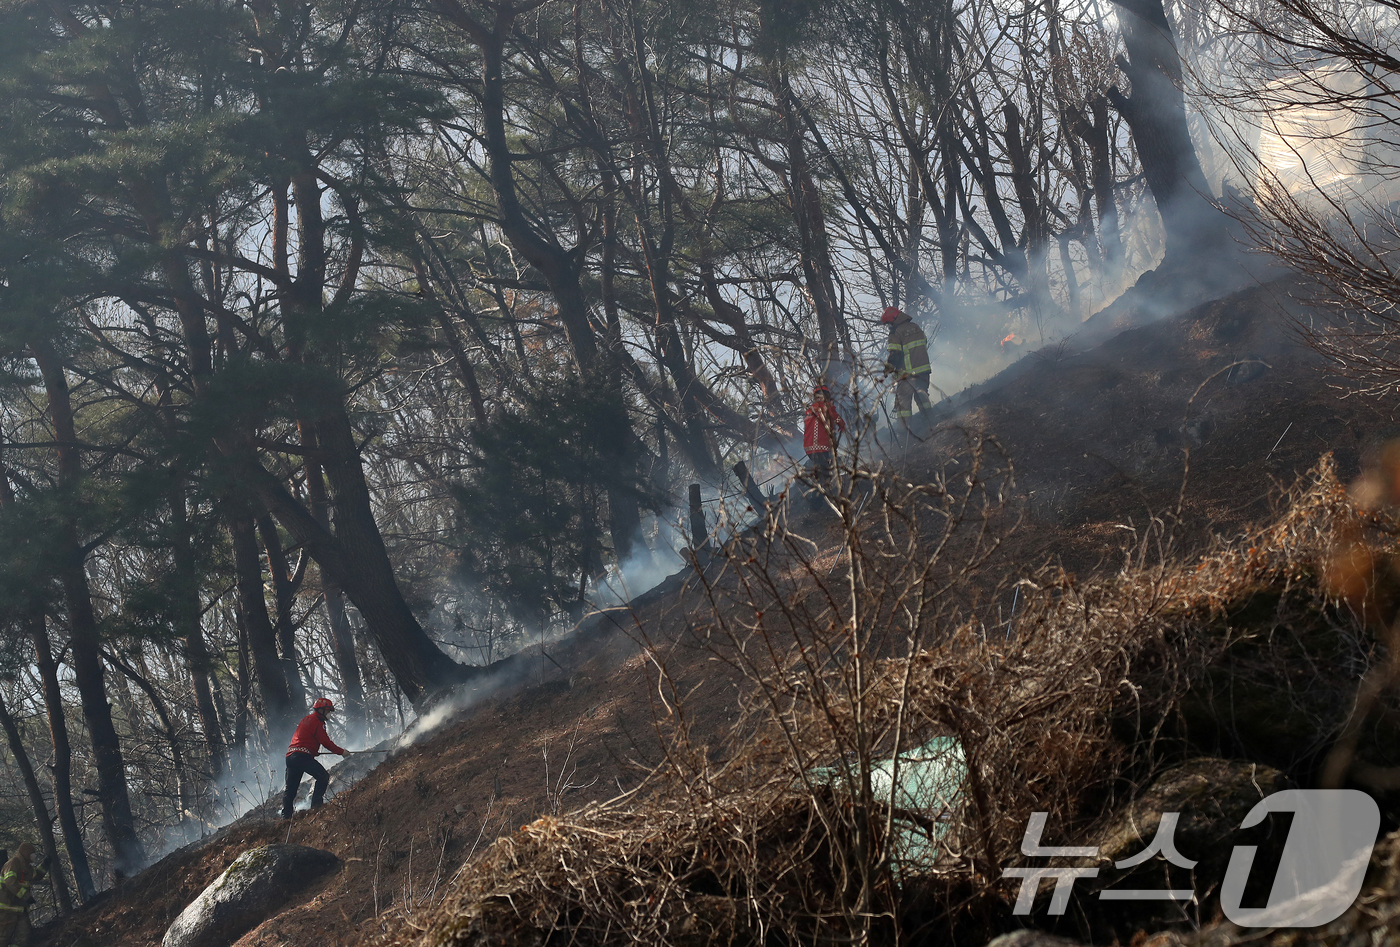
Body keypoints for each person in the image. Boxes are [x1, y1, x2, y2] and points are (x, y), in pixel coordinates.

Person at [282, 697, 347, 819]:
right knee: (323, 776)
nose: (329, 714)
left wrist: (311, 751)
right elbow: (326, 742)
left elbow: (302, 740)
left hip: (291, 757)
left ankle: (286, 816)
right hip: (302, 757)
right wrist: (341, 752)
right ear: (321, 710)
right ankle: (316, 807)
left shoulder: (306, 720)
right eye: (328, 711)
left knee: (291, 789)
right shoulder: (318, 722)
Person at [882, 306, 932, 425]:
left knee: (903, 400)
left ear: (893, 319)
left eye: (888, 323)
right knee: (922, 396)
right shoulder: (915, 326)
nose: (888, 326)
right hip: (924, 370)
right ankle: (930, 421)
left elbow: (895, 354)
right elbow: (924, 342)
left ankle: (904, 430)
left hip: (908, 373)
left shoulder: (895, 332)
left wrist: (888, 369)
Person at [803, 384, 846, 510]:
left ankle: (820, 501)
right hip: (819, 448)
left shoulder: (810, 409)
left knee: (823, 473)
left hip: (810, 449)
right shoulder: (825, 407)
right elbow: (838, 419)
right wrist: (842, 426)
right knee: (825, 475)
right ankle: (817, 504)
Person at [0, 843, 47, 946]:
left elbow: (35, 876)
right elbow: (10, 882)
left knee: (23, 936)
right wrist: (26, 896)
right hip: (7, 909)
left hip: (21, 909)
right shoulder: (13, 863)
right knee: (3, 938)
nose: (33, 856)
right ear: (26, 853)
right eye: (32, 854)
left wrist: (45, 865)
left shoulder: (27, 867)